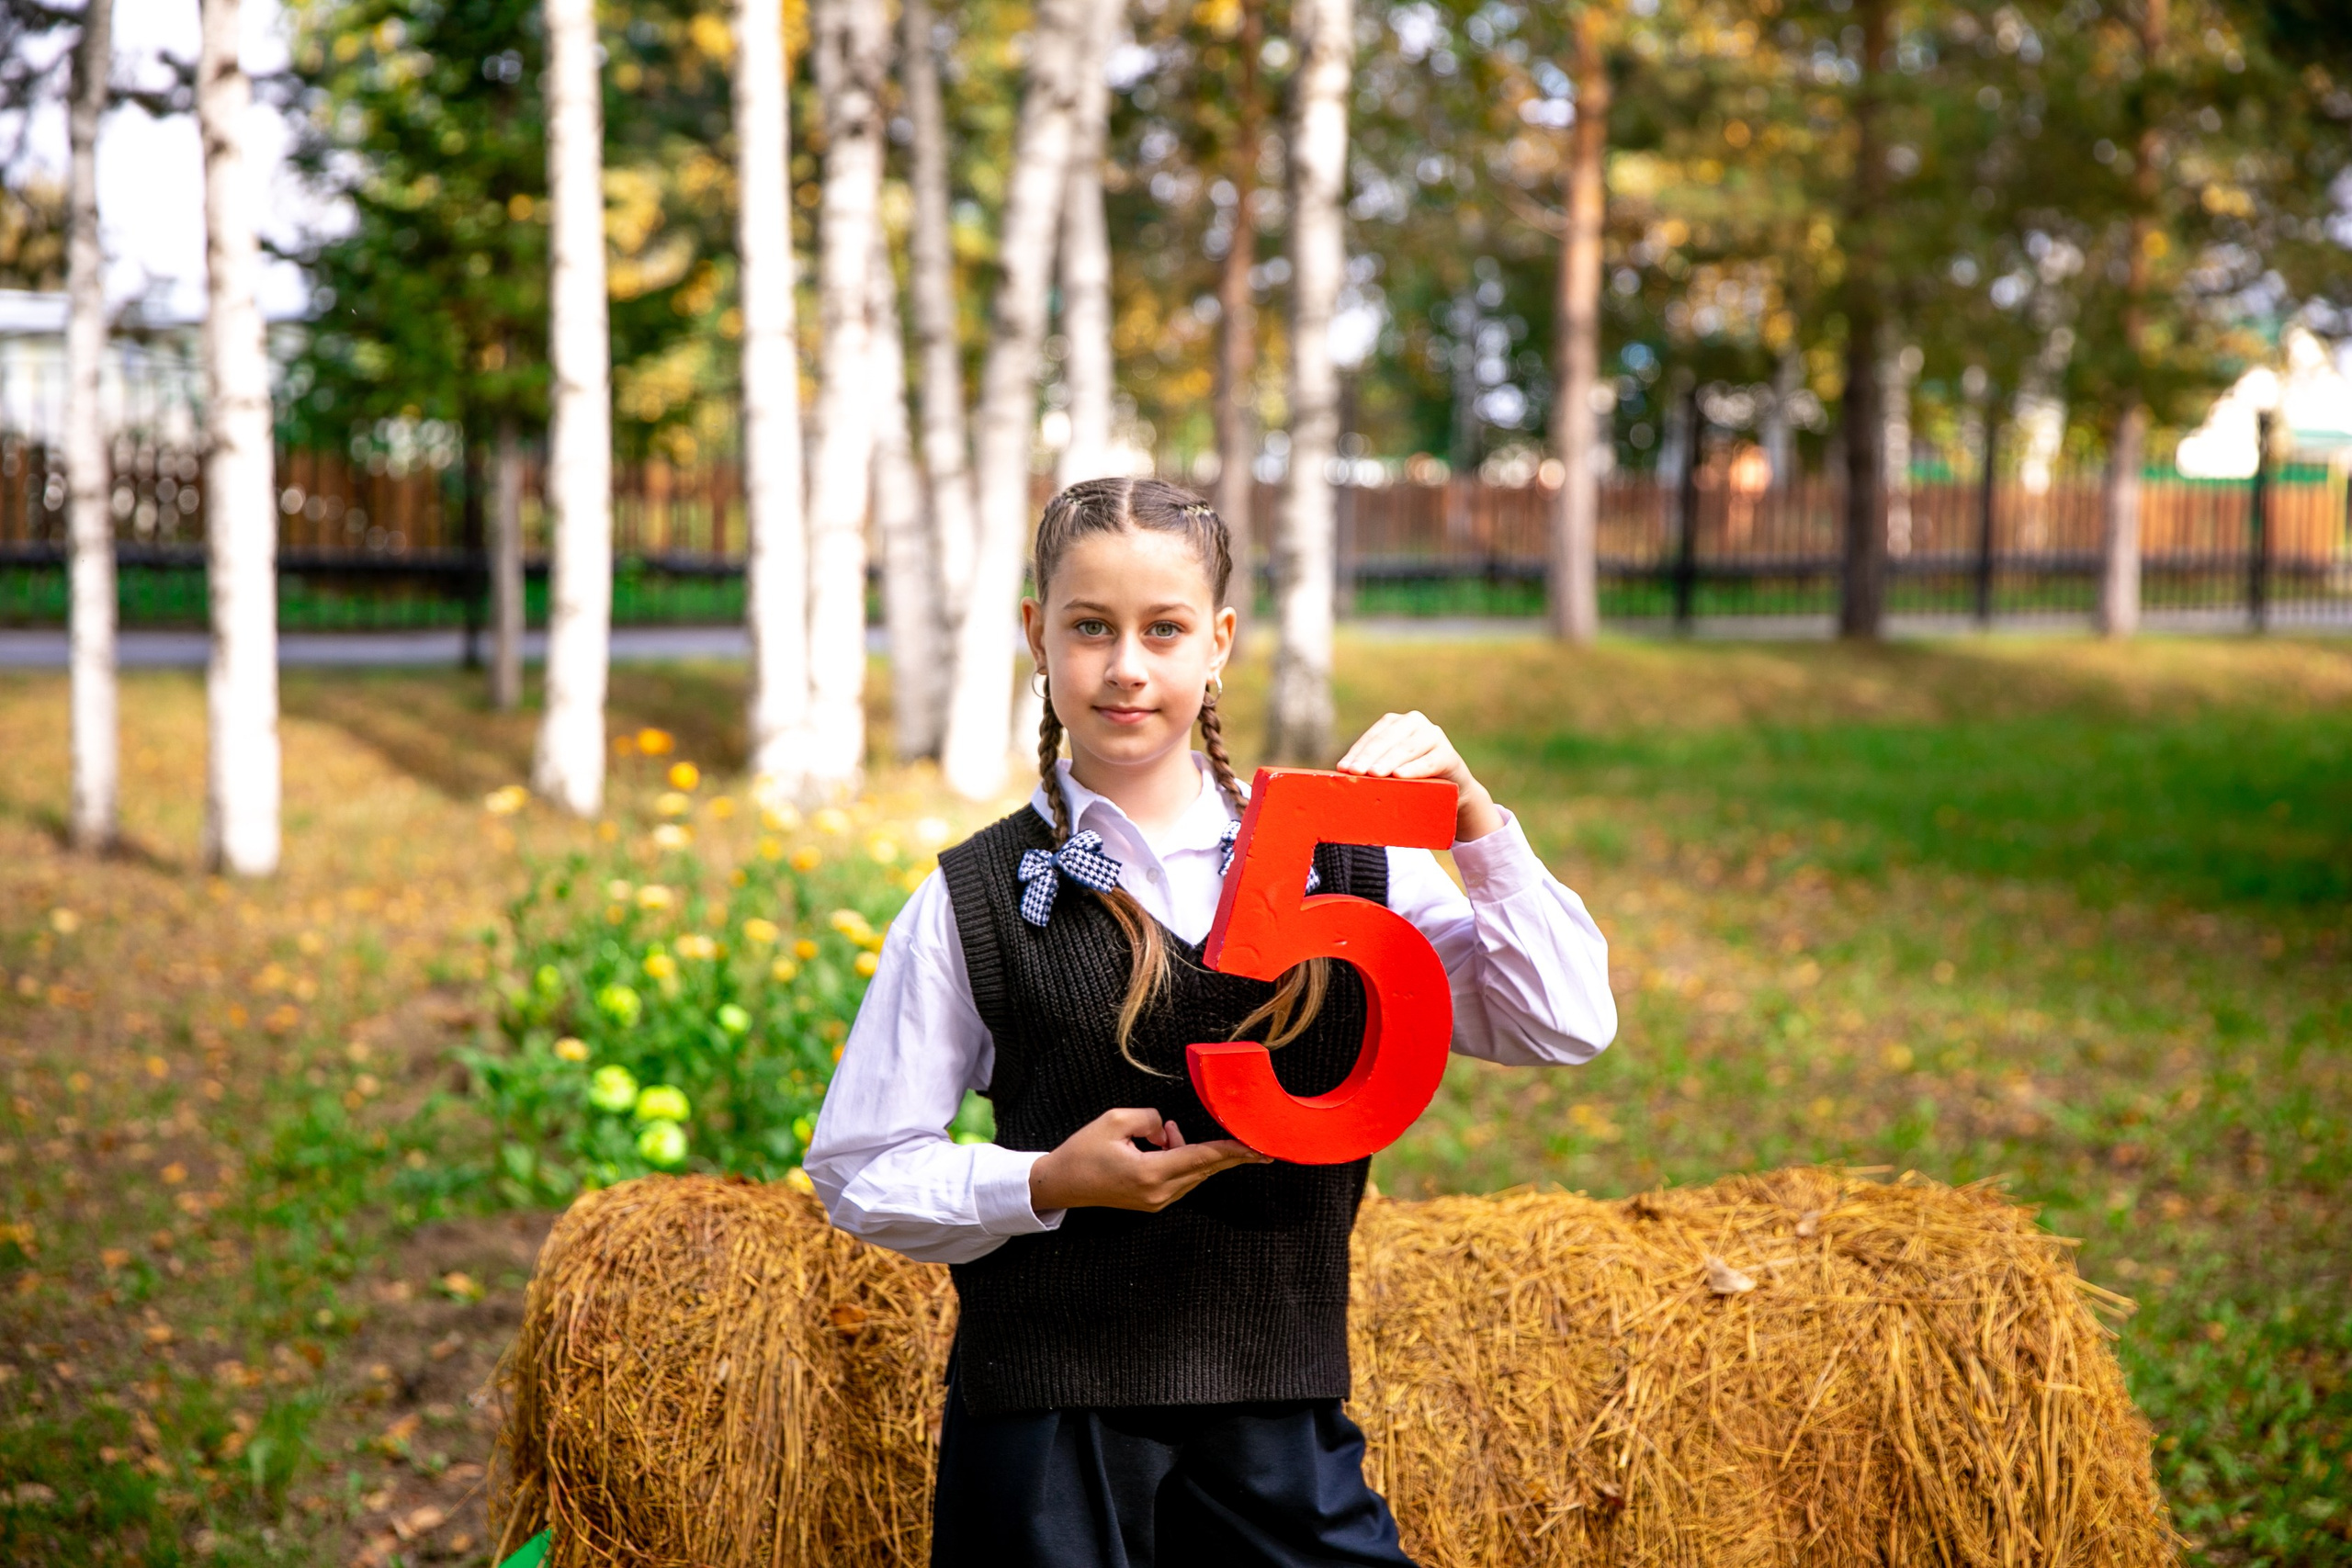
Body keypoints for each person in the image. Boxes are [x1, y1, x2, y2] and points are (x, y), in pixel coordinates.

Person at [808, 478, 1617, 1568]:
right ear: (1037, 635)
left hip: (1276, 1412)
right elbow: (858, 1167)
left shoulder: (1349, 866)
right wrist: (1043, 1181)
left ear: (1219, 642)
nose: (1127, 667)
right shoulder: (978, 895)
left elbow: (1560, 1025)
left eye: (1165, 630)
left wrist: (1475, 822)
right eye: (1090, 628)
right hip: (1048, 1427)